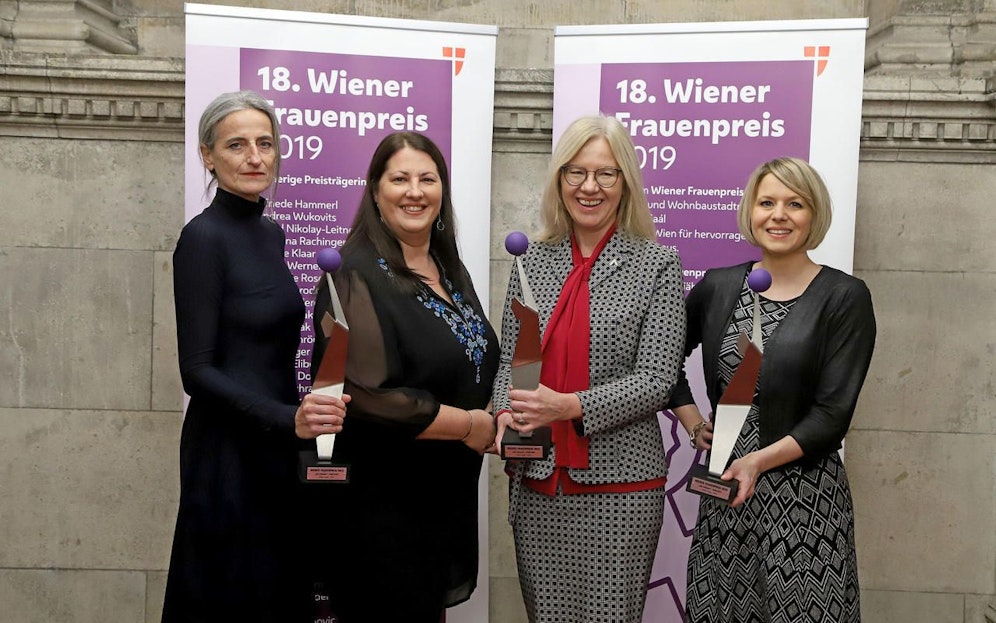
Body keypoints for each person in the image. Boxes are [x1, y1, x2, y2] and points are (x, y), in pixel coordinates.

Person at [491, 115, 687, 623]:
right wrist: (501, 414)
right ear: (560, 181)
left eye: (606, 173)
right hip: (538, 483)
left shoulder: (658, 263)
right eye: (576, 172)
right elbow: (512, 362)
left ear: (626, 183)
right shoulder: (531, 260)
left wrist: (570, 405)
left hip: (621, 487)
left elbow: (658, 379)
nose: (590, 187)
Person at [162, 90, 347, 622]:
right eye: (237, 145)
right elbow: (196, 370)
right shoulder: (202, 238)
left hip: (280, 445)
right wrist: (285, 418)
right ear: (207, 155)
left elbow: (269, 343)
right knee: (230, 598)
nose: (255, 157)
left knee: (278, 593)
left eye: (265, 143)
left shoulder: (271, 232)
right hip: (226, 453)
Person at [300, 131, 499, 623]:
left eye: (427, 179)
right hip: (381, 506)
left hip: (440, 498)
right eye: (400, 179)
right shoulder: (354, 272)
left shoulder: (447, 268)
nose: (415, 191)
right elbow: (369, 396)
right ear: (374, 190)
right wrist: (474, 426)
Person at [669, 157, 876, 623]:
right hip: (726, 498)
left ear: (813, 215)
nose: (778, 215)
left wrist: (757, 461)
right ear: (750, 211)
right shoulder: (719, 287)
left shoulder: (844, 297)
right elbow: (662, 362)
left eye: (794, 204)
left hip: (804, 504)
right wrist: (694, 420)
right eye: (767, 202)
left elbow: (832, 415)